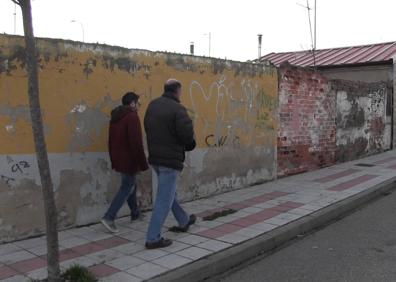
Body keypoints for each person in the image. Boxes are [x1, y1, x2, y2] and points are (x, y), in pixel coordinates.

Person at [144, 79, 197, 249]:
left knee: (169, 193)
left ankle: (184, 220)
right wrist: (189, 144)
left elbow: (147, 127)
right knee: (164, 199)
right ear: (177, 91)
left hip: (156, 159)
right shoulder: (178, 109)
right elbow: (187, 134)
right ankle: (153, 238)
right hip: (170, 160)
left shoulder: (152, 105)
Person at [101, 92, 149, 233]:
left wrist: (113, 159)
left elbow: (110, 141)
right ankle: (109, 217)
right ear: (132, 103)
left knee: (130, 185)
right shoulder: (132, 117)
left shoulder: (116, 117)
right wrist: (143, 163)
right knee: (127, 187)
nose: (139, 106)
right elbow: (136, 143)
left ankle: (135, 213)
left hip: (119, 158)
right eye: (138, 103)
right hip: (129, 159)